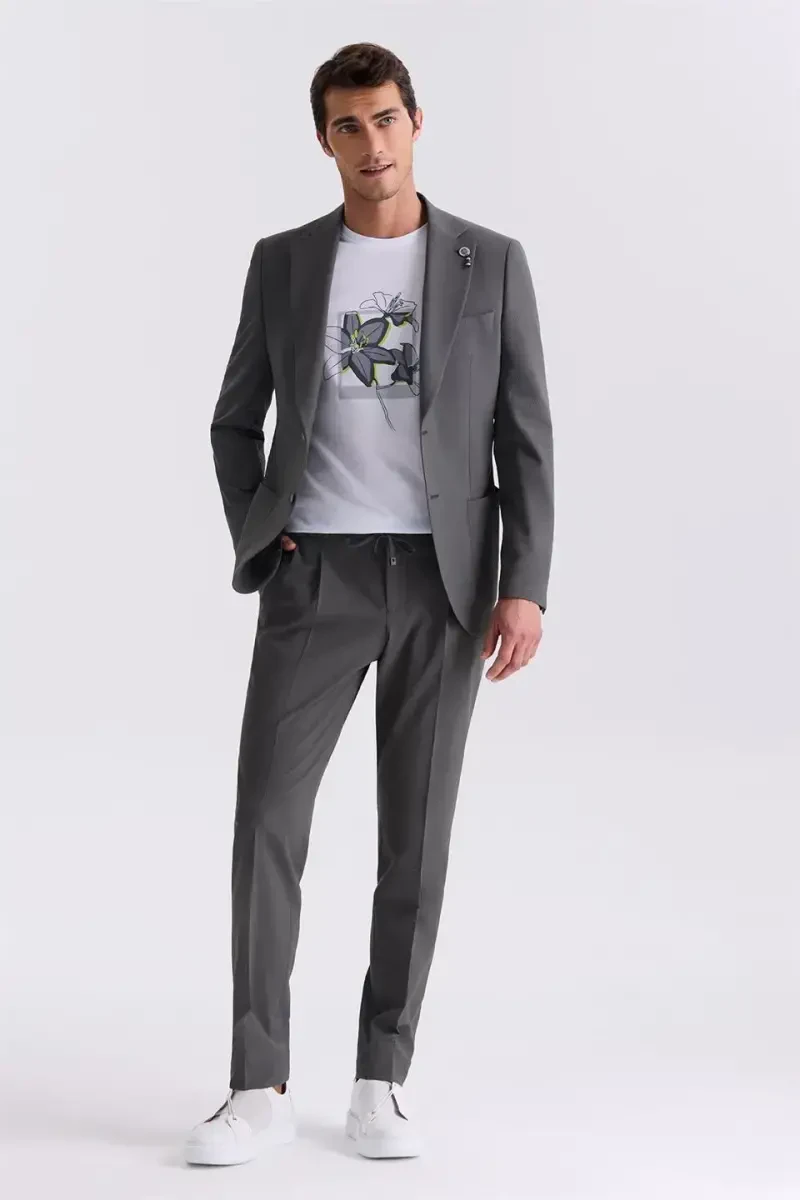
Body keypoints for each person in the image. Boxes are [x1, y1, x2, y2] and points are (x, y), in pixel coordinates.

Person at [183, 40, 554, 1166]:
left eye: (386, 119)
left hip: (445, 584)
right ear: (325, 140)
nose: (371, 143)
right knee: (266, 821)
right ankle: (255, 1084)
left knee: (416, 839)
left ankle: (380, 1079)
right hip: (316, 578)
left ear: (415, 122)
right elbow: (233, 420)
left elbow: (524, 435)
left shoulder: (491, 262)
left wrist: (524, 584)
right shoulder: (285, 262)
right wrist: (264, 531)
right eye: (348, 125)